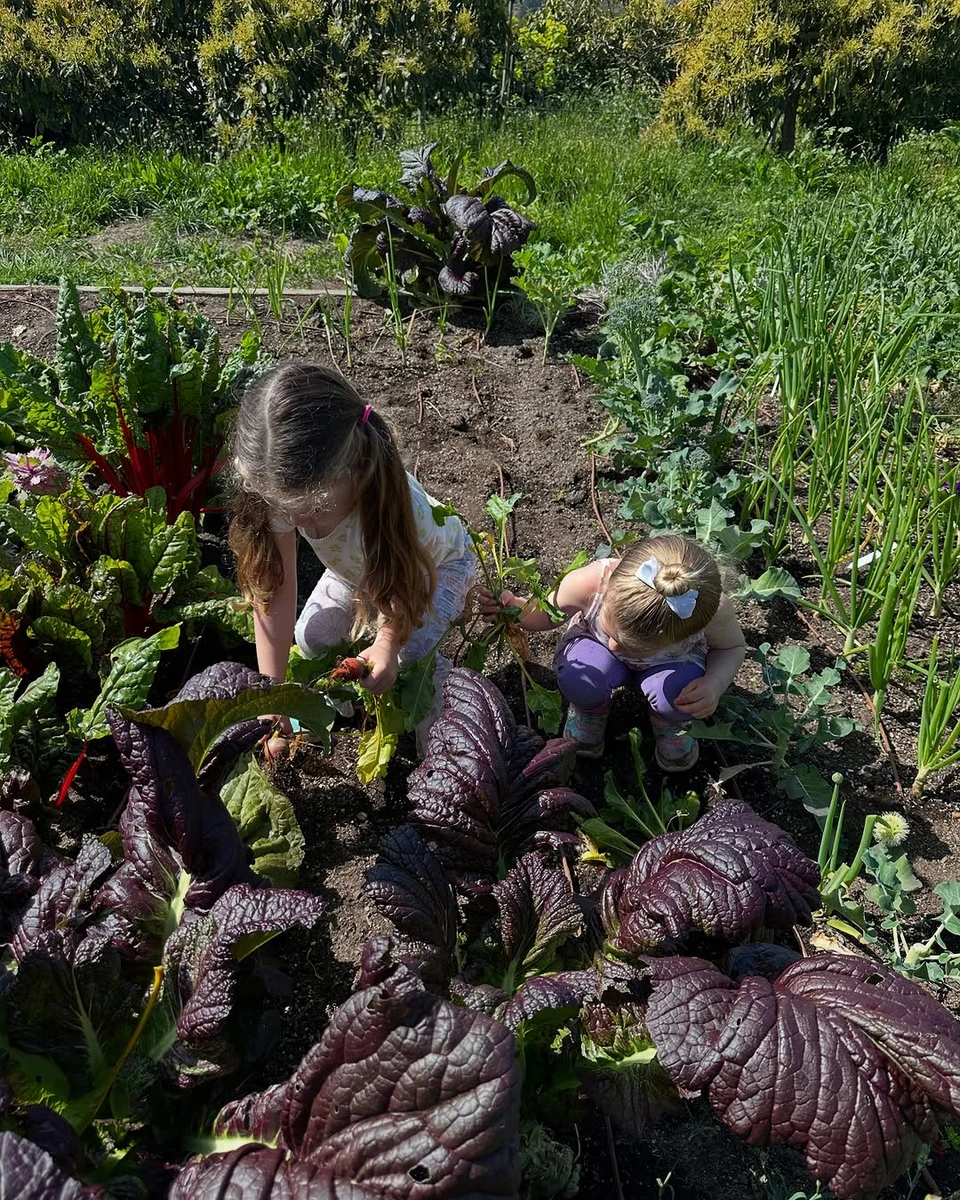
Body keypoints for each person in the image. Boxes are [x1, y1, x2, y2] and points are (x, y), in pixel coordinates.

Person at [229, 362, 474, 754]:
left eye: (312, 510)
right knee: (313, 636)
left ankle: (446, 736)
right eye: (286, 509)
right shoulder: (287, 487)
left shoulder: (399, 505)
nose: (296, 521)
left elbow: (404, 580)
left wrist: (387, 645)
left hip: (432, 572)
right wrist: (271, 698)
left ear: (355, 473)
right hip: (356, 573)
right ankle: (338, 710)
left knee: (413, 659)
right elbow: (275, 586)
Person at [480, 535, 746, 770]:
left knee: (681, 695)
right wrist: (514, 609)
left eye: (630, 645)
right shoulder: (591, 583)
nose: (614, 646)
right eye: (613, 633)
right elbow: (546, 614)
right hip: (595, 651)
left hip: (670, 665)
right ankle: (591, 710)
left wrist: (713, 683)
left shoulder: (706, 612)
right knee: (578, 675)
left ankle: (668, 721)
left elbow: (731, 648)